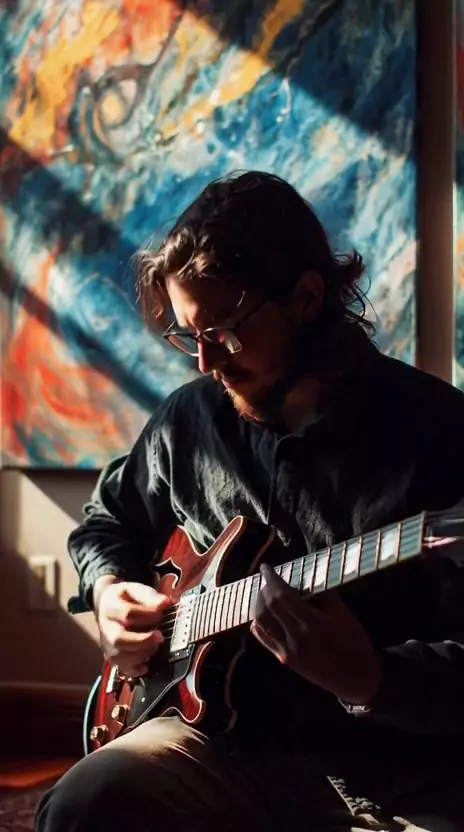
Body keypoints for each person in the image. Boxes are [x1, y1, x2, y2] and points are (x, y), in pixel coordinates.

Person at [36, 172, 464, 832]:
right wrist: (108, 591)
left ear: (306, 299)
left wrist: (372, 679)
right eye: (189, 335)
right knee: (83, 801)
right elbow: (106, 523)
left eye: (225, 333)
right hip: (215, 743)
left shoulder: (439, 432)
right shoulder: (189, 421)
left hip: (393, 773)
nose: (205, 362)